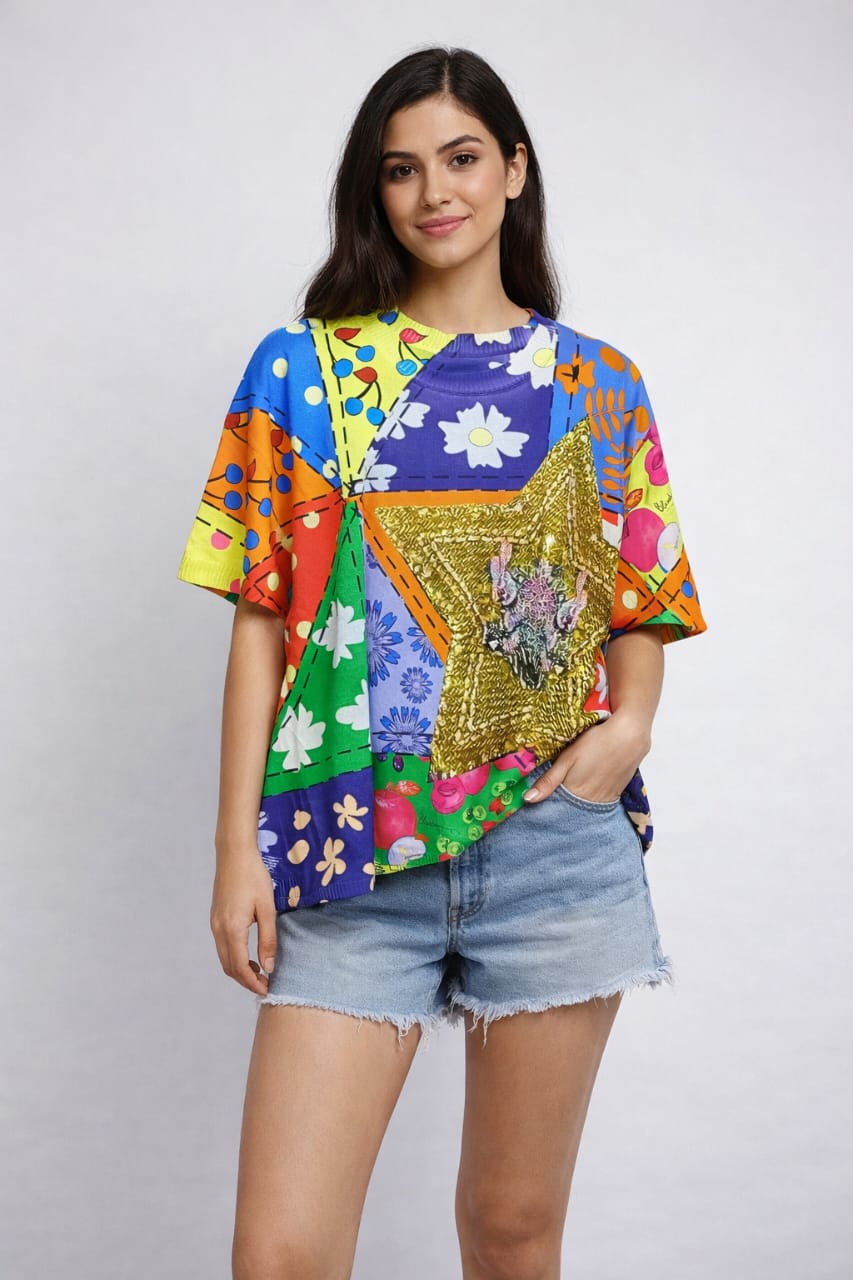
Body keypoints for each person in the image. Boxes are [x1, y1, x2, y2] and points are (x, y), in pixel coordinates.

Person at [176, 44, 707, 1280]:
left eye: (461, 158)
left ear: (514, 170)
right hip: (347, 841)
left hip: (554, 851)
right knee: (281, 1252)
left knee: (512, 1230)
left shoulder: (598, 383)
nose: (434, 192)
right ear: (375, 190)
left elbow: (639, 588)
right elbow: (260, 615)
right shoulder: (302, 372)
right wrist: (236, 845)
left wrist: (629, 724)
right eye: (401, 168)